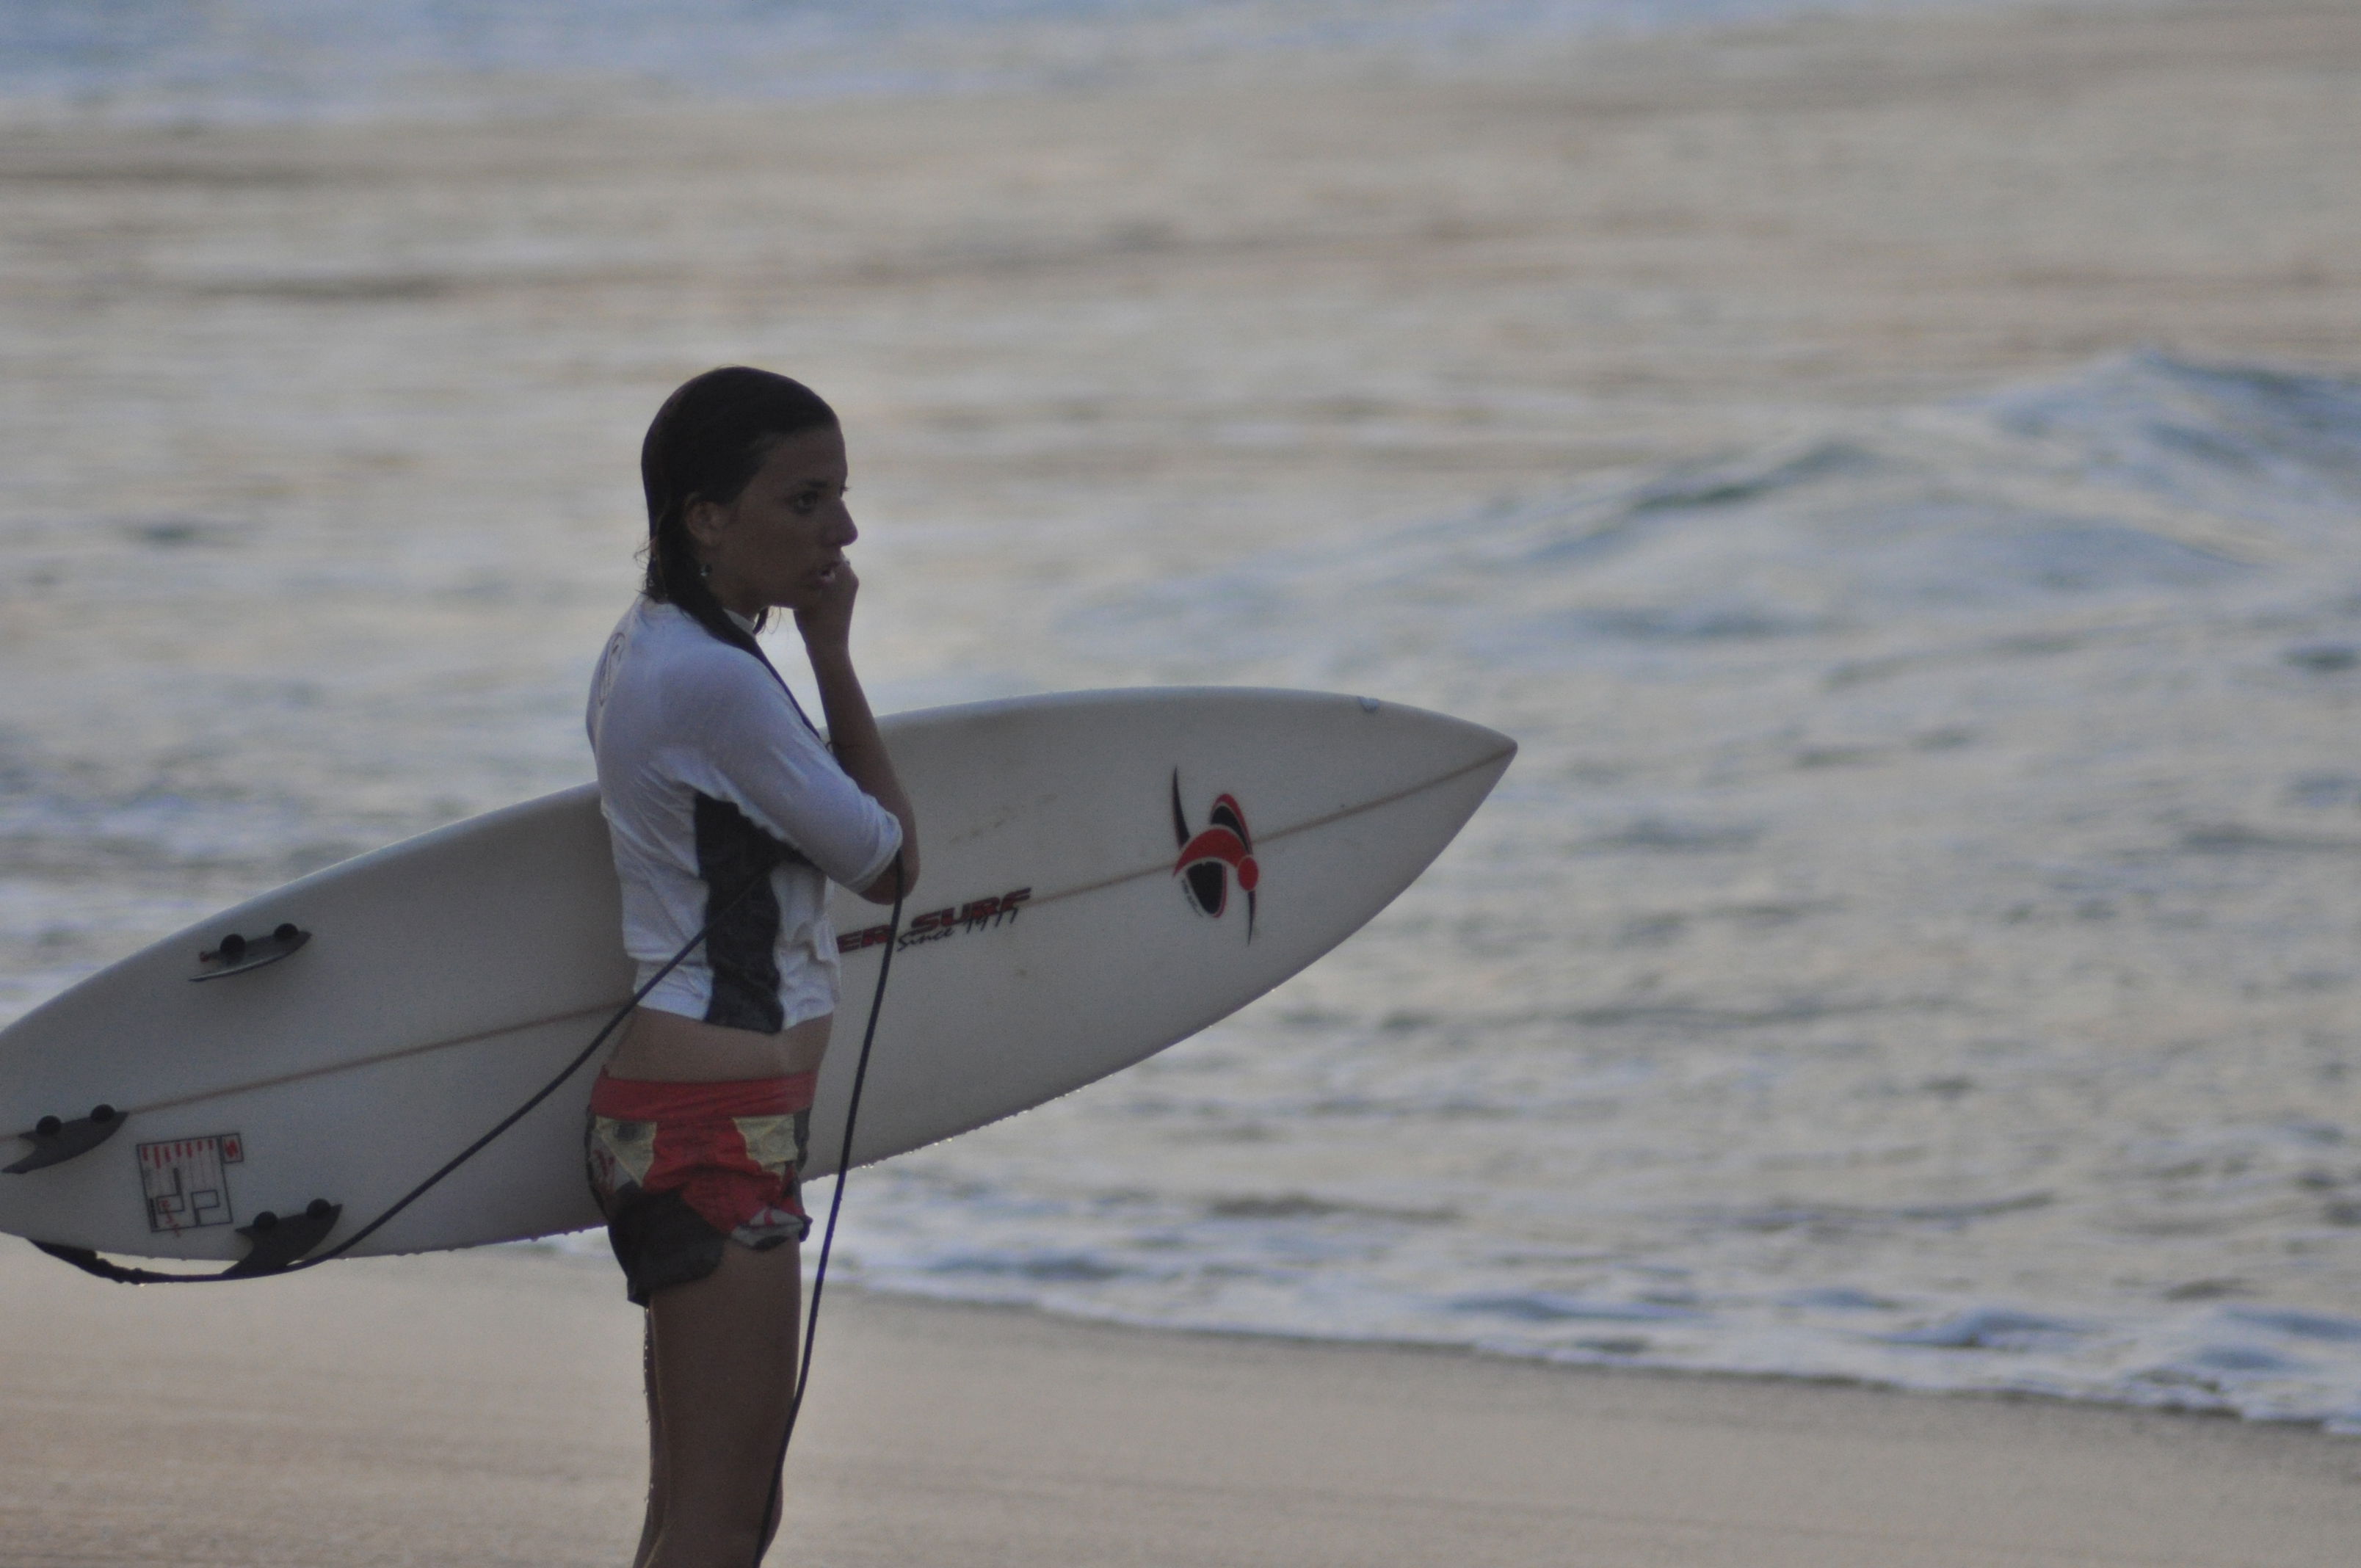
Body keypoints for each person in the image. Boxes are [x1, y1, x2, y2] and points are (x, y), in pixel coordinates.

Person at [584, 366, 918, 1568]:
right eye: (807, 501)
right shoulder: (719, 681)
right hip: (712, 1131)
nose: (843, 532)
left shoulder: (652, 645)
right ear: (706, 517)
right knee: (725, 1528)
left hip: (688, 1120)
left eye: (842, 496)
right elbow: (886, 860)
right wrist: (834, 651)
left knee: (693, 1516)